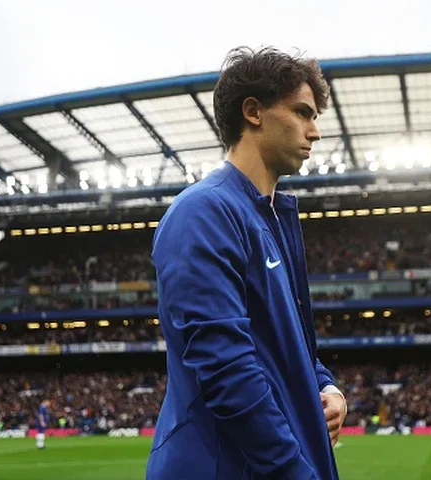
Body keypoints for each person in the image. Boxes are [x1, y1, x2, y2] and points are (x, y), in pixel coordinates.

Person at [146, 46, 347, 480]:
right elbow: (226, 369)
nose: (314, 132)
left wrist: (325, 384)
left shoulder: (269, 219)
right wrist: (294, 472)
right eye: (302, 112)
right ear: (253, 111)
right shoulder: (203, 212)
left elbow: (284, 342)